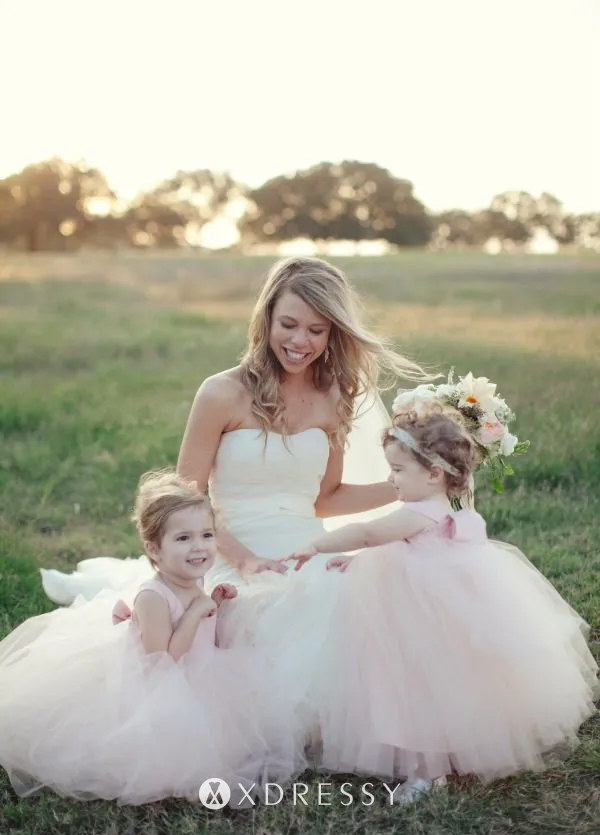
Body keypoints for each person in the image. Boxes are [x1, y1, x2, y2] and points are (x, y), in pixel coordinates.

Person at [41, 256, 425, 651]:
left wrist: (407, 485)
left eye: (316, 330)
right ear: (267, 319)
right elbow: (186, 502)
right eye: (288, 325)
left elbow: (325, 499)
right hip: (225, 549)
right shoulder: (221, 393)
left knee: (356, 620)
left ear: (332, 335)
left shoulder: (334, 398)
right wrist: (244, 560)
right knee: (260, 621)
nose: (299, 342)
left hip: (305, 550)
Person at [269, 394, 599, 803]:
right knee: (441, 686)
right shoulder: (441, 503)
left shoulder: (418, 511)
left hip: (422, 615)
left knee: (419, 688)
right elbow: (393, 550)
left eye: (398, 470)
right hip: (434, 602)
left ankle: (429, 772)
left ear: (434, 474)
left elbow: (371, 534)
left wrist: (318, 546)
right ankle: (452, 754)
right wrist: (355, 564)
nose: (391, 478)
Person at [0, 471, 298, 805]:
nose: (199, 547)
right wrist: (196, 612)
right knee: (178, 756)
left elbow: (196, 631)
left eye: (206, 535)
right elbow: (162, 660)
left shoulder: (192, 581)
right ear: (153, 549)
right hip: (161, 687)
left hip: (199, 675)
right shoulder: (152, 598)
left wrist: (212, 603)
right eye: (183, 539)